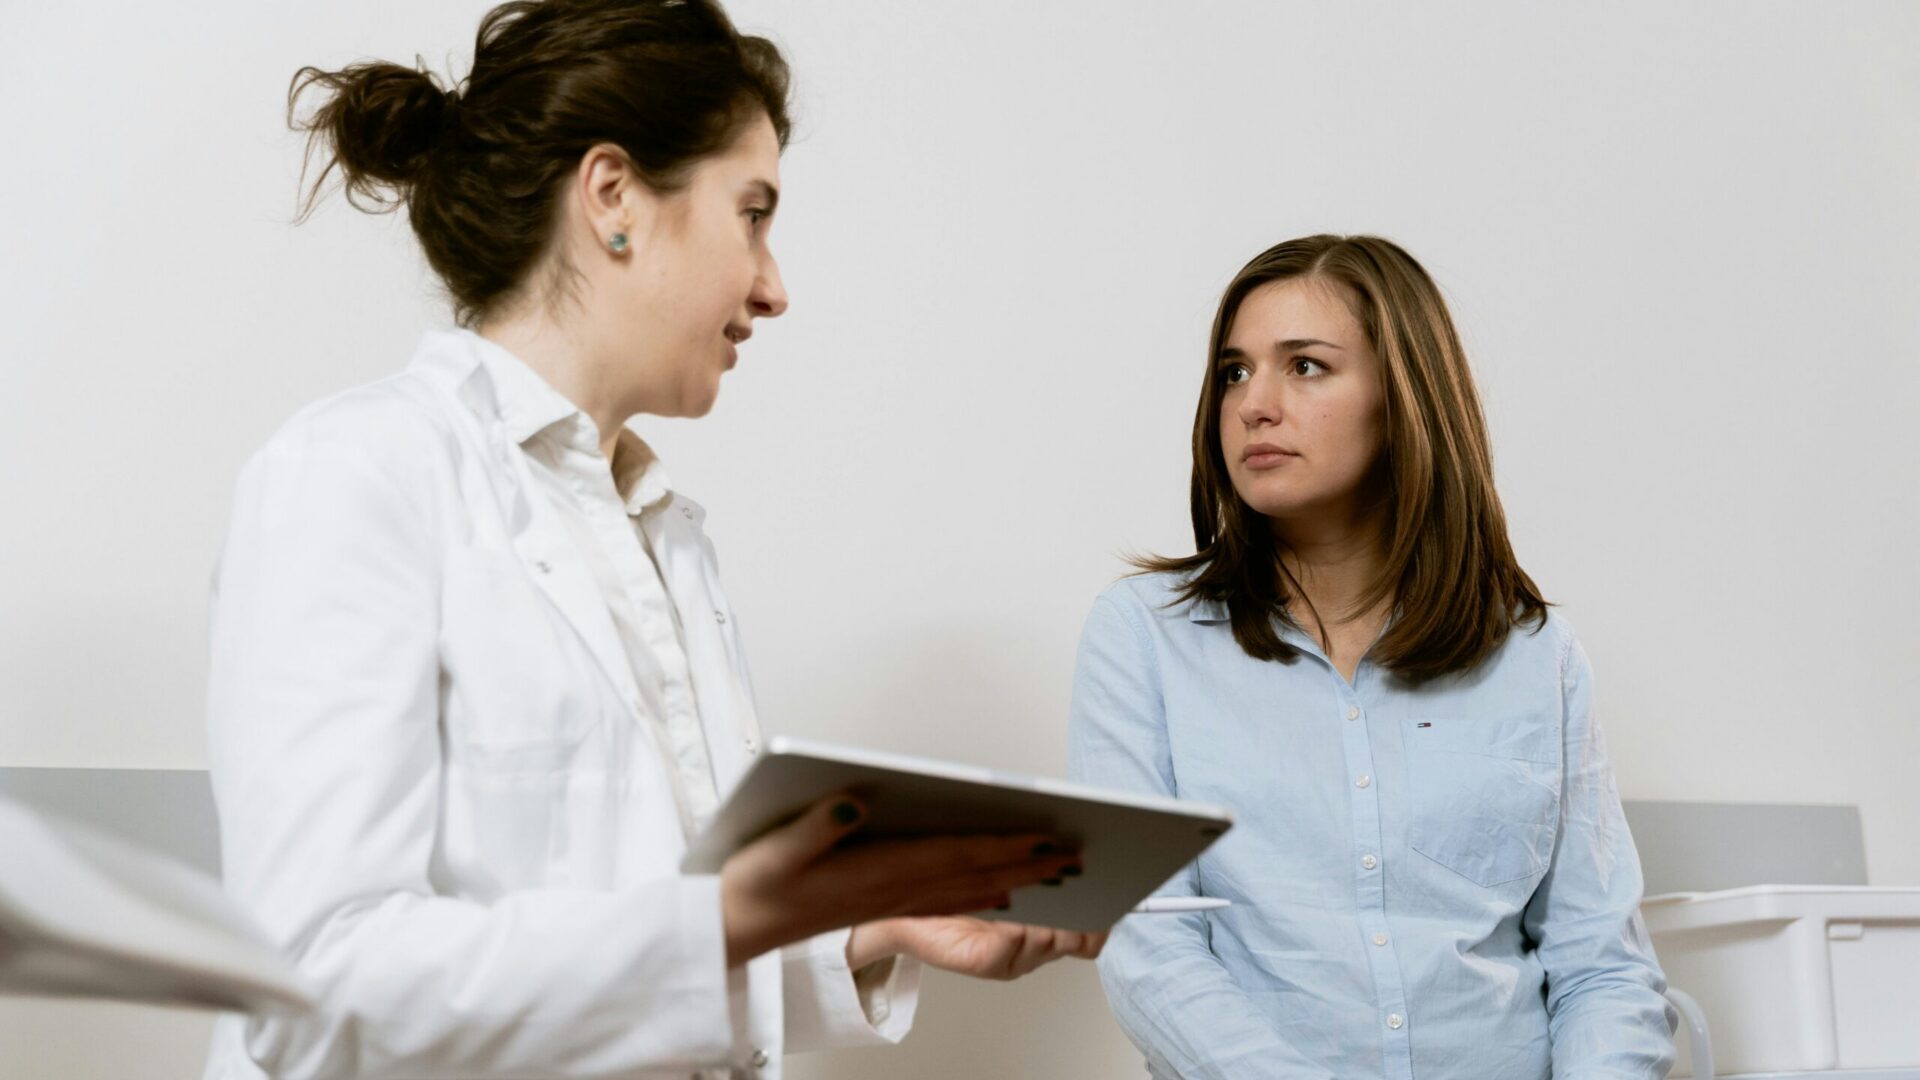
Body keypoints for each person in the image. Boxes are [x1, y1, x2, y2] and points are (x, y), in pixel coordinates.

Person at [204, 2, 1100, 1077]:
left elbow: (646, 953)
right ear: (616, 197)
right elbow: (317, 981)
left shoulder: (660, 535)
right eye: (752, 213)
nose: (773, 286)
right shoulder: (356, 475)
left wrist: (871, 927)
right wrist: (726, 917)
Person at [1066, 234, 1675, 1078]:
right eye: (1235, 371)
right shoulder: (1144, 636)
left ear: (1406, 398)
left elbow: (1601, 967)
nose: (1254, 405)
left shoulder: (1538, 657)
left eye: (1305, 366)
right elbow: (1149, 946)